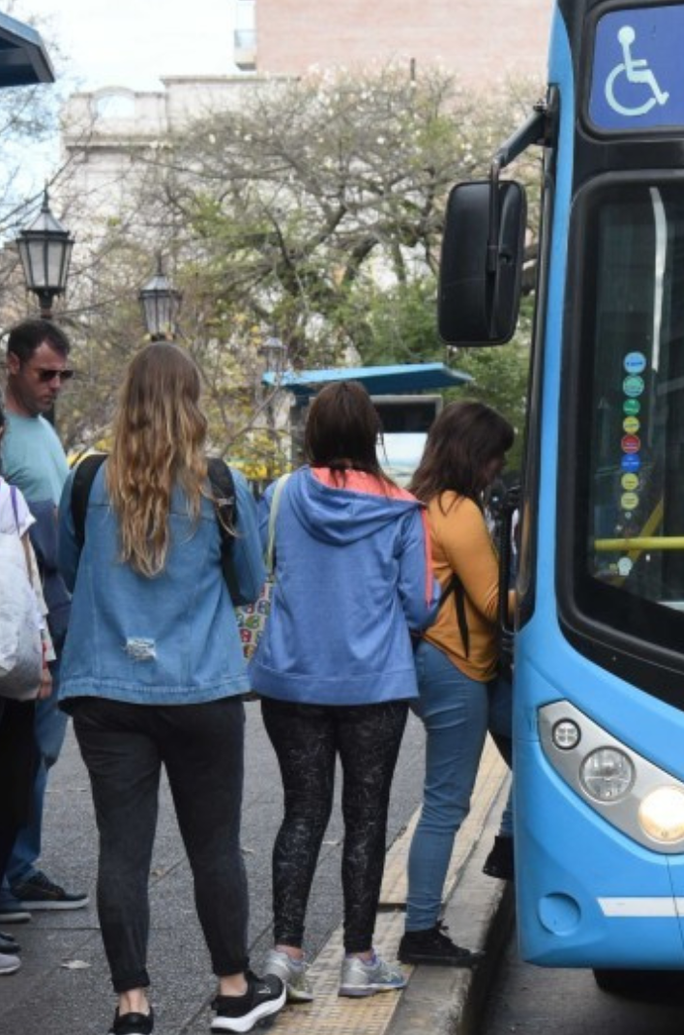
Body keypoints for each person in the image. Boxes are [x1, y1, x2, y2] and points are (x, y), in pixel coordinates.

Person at [54, 343, 284, 1035]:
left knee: (121, 849)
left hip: (106, 690)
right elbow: (248, 585)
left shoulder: (87, 480)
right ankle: (235, 992)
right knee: (214, 845)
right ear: (191, 401)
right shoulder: (219, 482)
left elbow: (71, 571)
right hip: (199, 690)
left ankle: (133, 1006)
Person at [249, 382, 434, 1002]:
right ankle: (359, 961)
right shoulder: (404, 509)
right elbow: (419, 605)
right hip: (374, 685)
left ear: (314, 432)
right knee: (366, 816)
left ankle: (285, 955)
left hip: (292, 679)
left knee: (302, 810)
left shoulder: (279, 495)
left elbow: (260, 570)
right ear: (369, 434)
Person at [402, 401, 516, 967]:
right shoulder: (458, 509)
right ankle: (419, 929)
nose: (498, 466)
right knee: (446, 803)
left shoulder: (421, 502)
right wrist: (563, 588)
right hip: (456, 665)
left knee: (540, 746)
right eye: (495, 455)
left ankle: (508, 845)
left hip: (448, 662)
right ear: (475, 454)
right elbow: (494, 602)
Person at [0, 318, 85, 924]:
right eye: (44, 373)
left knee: (41, 753)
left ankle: (21, 866)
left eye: (63, 374)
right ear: (12, 363)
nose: (56, 384)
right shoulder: (3, 433)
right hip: (16, 621)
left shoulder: (45, 431)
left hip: (56, 613)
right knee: (14, 752)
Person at [0, 403, 51, 975]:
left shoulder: (9, 497)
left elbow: (29, 577)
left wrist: (43, 656)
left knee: (15, 782)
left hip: (9, 662)